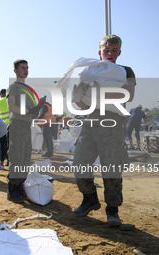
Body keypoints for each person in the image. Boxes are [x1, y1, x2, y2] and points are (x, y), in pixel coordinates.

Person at [72, 35, 136, 227]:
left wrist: (95, 93)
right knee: (79, 164)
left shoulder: (126, 71)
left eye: (114, 50)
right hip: (91, 123)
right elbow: (84, 105)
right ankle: (90, 199)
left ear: (119, 52)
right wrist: (79, 99)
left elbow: (128, 95)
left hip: (114, 126)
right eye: (106, 50)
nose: (110, 53)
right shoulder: (92, 72)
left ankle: (112, 210)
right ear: (99, 52)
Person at [6, 59, 45, 203]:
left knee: (25, 157)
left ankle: (20, 185)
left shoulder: (28, 89)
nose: (26, 70)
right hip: (16, 124)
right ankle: (12, 189)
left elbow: (32, 110)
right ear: (15, 70)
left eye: (27, 67)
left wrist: (39, 107)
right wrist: (30, 110)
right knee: (16, 157)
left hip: (26, 125)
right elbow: (12, 107)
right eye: (22, 68)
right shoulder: (13, 87)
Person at [0, 89, 10, 165]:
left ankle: (7, 160)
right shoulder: (10, 100)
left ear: (1, 94)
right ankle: (10, 160)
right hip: (11, 124)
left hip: (2, 126)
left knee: (4, 145)